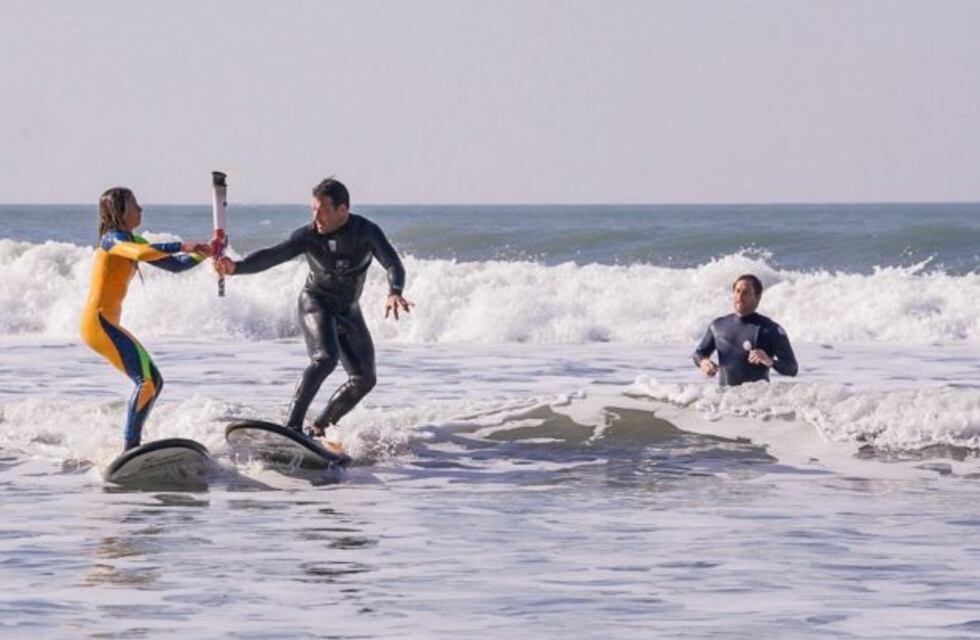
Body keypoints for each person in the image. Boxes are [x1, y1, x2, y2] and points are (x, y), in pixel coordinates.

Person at [215, 177, 412, 437]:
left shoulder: (366, 231)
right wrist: (236, 268)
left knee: (364, 379)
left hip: (348, 309)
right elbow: (274, 255)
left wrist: (394, 292)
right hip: (316, 302)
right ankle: (291, 427)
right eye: (313, 210)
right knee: (325, 359)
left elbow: (392, 263)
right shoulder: (308, 236)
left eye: (323, 211)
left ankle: (319, 428)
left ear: (343, 210)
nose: (316, 217)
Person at [80, 187, 213, 451]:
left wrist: (204, 252)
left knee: (154, 382)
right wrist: (184, 244)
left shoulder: (133, 240)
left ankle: (132, 446)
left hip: (107, 325)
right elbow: (140, 254)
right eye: (134, 204)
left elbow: (176, 266)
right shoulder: (111, 240)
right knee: (147, 382)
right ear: (119, 211)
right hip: (98, 324)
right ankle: (131, 448)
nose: (141, 209)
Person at [693, 274, 798, 386]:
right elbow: (699, 354)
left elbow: (792, 368)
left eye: (745, 292)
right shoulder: (718, 326)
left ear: (757, 297)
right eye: (737, 291)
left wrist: (769, 361)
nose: (740, 296)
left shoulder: (771, 329)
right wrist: (703, 362)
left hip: (755, 400)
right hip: (724, 399)